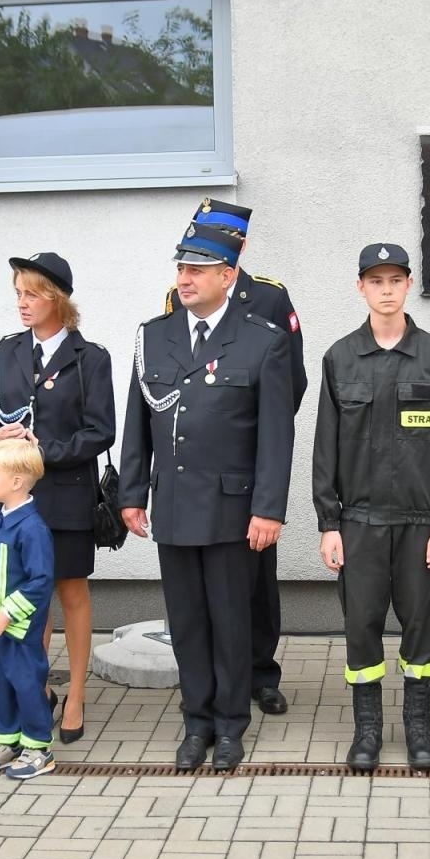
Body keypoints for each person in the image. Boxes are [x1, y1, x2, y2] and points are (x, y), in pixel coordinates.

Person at [120, 220, 296, 772]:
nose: (185, 278)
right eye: (181, 269)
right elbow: (137, 421)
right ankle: (195, 721)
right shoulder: (154, 335)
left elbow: (275, 435)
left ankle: (229, 726)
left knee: (229, 620)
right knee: (188, 622)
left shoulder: (260, 340)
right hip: (172, 503)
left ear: (228, 275)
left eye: (197, 269)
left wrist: (269, 508)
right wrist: (130, 493)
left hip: (231, 507)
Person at [313, 243, 430, 771]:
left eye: (394, 280)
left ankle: (419, 726)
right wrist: (329, 524)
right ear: (361, 288)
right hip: (359, 523)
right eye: (375, 281)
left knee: (422, 624)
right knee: (362, 625)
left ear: (407, 285)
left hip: (422, 525)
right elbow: (325, 447)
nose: (385, 290)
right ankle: (368, 729)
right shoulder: (340, 357)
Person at [165, 199, 304, 716]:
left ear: (237, 248)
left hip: (249, 462)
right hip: (204, 466)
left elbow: (292, 379)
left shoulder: (268, 297)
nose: (189, 271)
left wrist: (258, 444)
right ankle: (215, 683)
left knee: (256, 579)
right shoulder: (179, 296)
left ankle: (261, 672)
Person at [0, 252, 115, 745]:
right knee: (29, 598)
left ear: (56, 298)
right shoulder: (6, 351)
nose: (22, 303)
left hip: (67, 494)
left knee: (70, 593)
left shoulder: (90, 357)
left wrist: (45, 451)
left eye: (31, 293)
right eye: (18, 293)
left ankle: (75, 693)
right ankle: (35, 688)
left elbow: (101, 431)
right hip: (16, 500)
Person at [0, 439, 57, 779]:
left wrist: (8, 613)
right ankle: (7, 739)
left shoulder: (33, 529)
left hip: (19, 628)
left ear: (17, 481)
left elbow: (40, 581)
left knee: (27, 684)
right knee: (1, 683)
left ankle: (38, 747)